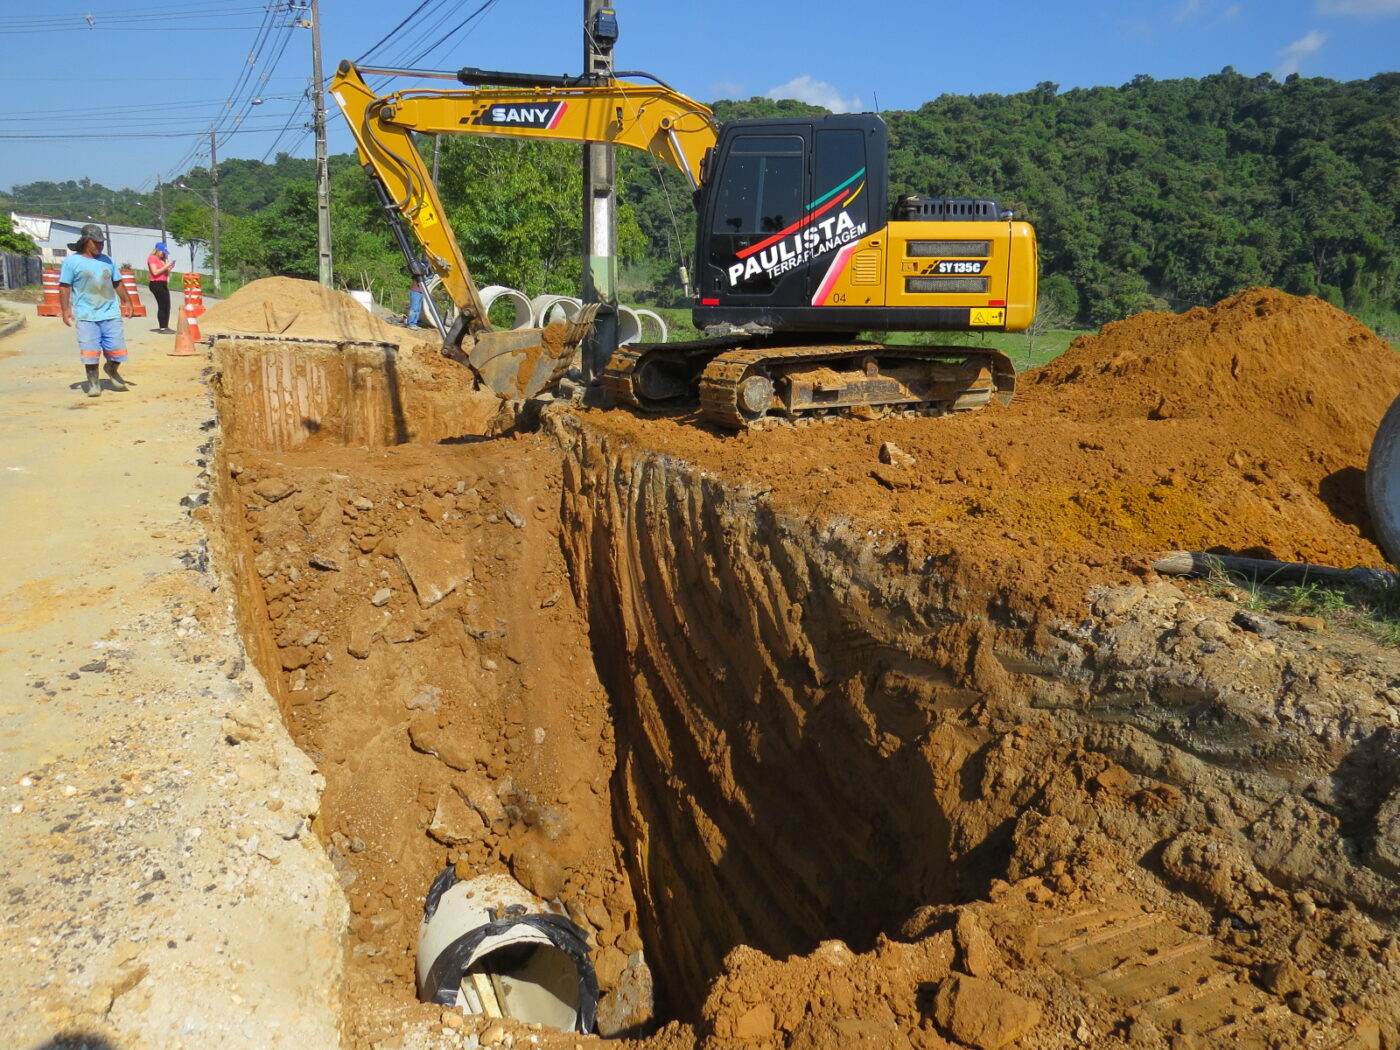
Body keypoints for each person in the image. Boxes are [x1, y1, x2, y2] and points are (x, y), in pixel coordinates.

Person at [59, 223, 133, 397]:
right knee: (90, 352)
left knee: (117, 350)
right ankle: (93, 383)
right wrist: (65, 310)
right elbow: (64, 286)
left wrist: (127, 302)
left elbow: (117, 282)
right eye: (97, 242)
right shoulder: (72, 262)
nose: (100, 246)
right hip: (86, 315)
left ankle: (111, 368)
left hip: (110, 313)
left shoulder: (107, 261)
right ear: (86, 242)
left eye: (102, 243)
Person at [146, 241, 175, 333]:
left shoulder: (162, 261)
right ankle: (162, 327)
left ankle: (165, 326)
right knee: (162, 305)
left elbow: (165, 273)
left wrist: (169, 268)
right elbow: (155, 272)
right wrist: (166, 266)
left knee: (167, 304)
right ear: (158, 250)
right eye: (162, 252)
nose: (164, 254)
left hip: (163, 283)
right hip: (156, 283)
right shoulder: (152, 258)